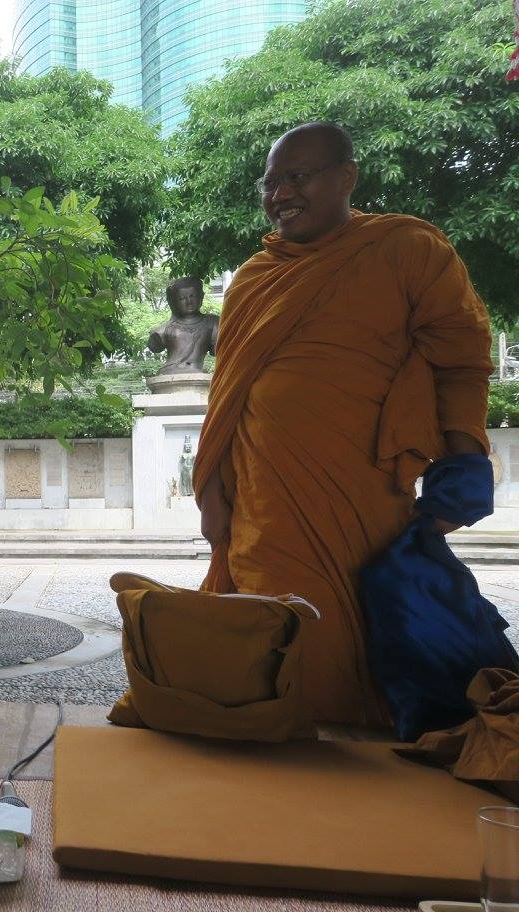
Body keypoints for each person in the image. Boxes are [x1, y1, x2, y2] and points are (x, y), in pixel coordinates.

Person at [194, 123, 493, 726]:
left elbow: (460, 363)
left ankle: (357, 748)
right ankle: (272, 737)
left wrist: (462, 471)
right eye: (270, 183)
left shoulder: (408, 249)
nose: (280, 194)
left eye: (297, 177)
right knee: (268, 628)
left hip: (360, 493)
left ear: (347, 177)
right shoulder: (254, 278)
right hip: (262, 500)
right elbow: (228, 395)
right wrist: (214, 490)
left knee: (351, 633)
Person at [148, 276, 219, 375]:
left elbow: (218, 351)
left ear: (200, 296)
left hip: (197, 375)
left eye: (192, 296)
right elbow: (155, 347)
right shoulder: (163, 331)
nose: (189, 301)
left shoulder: (212, 322)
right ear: (174, 302)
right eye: (182, 298)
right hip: (169, 373)